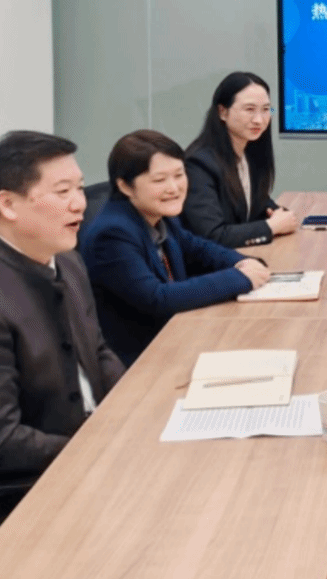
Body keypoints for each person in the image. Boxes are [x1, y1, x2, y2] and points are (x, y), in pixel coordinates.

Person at [0, 130, 124, 544]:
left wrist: (134, 410)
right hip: (22, 497)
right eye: (62, 191)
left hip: (87, 456)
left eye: (80, 188)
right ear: (8, 204)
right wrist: (99, 446)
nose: (80, 203)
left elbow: (97, 352)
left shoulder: (66, 261)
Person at [80, 130, 272, 364]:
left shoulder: (159, 213)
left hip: (178, 337)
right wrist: (240, 277)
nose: (174, 188)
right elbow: (158, 298)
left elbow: (198, 248)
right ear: (126, 186)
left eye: (179, 175)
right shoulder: (112, 234)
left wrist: (242, 261)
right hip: (143, 361)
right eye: (159, 180)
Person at [184, 71, 299, 248]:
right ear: (223, 112)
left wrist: (279, 215)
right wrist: (271, 227)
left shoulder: (249, 153)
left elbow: (261, 205)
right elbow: (212, 235)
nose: (259, 120)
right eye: (249, 109)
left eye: (266, 110)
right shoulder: (199, 164)